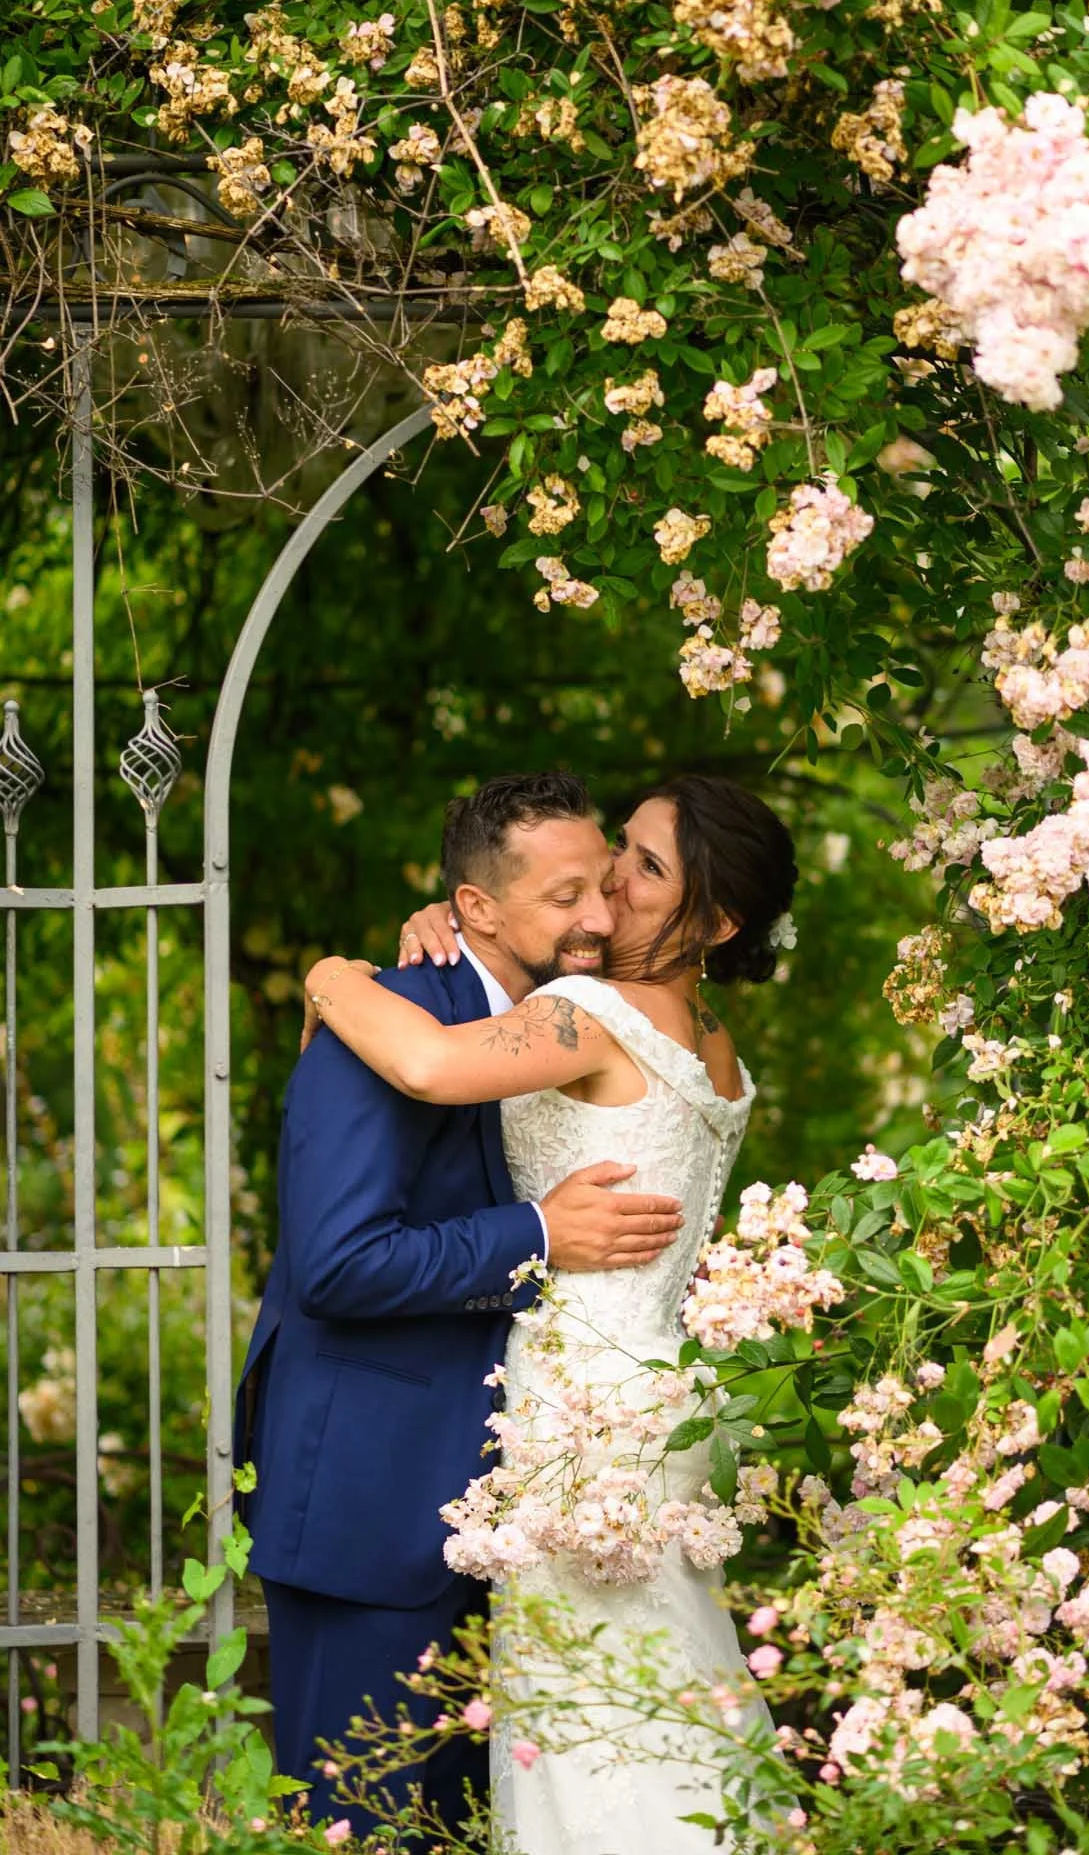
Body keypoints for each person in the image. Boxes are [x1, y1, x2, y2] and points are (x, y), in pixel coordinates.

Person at [302, 773, 798, 1854]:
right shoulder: (716, 1043)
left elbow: (430, 1061)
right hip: (658, 1394)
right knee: (660, 1687)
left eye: (649, 866)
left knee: (585, 1722)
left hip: (580, 1414)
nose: (616, 873)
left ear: (713, 920)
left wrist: (331, 973)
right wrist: (460, 923)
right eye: (625, 844)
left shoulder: (602, 1011)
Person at [235, 773, 688, 1842]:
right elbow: (338, 1263)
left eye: (605, 885)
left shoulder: (571, 1028)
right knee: (366, 1824)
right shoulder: (381, 1019)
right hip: (372, 1501)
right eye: (562, 892)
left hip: (518, 1519)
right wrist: (536, 1235)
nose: (595, 914)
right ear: (476, 907)